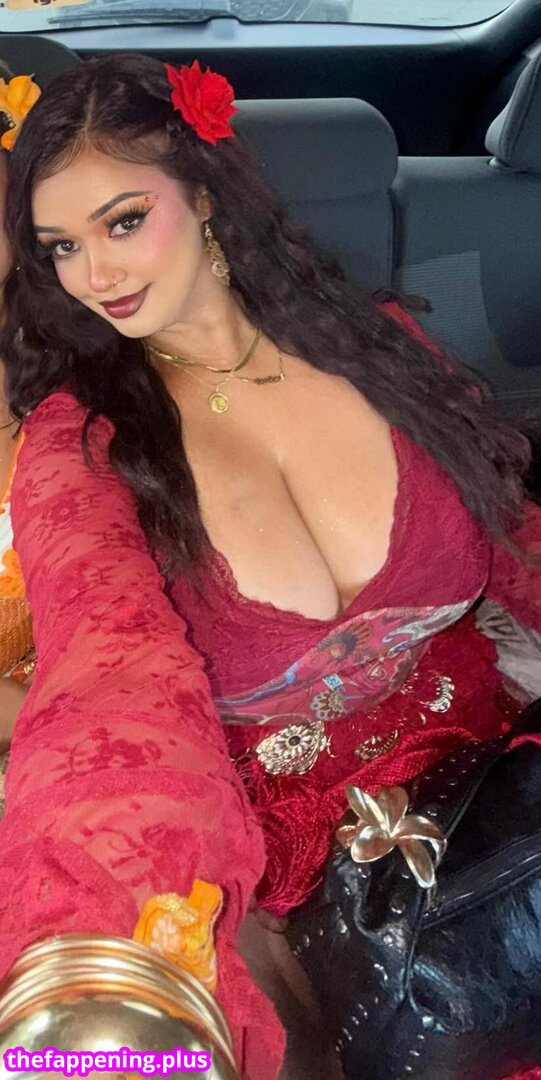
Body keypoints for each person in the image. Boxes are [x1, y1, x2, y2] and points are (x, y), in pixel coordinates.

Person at [1, 52, 540, 1079]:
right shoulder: (85, 445)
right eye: (61, 246)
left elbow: (513, 535)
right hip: (287, 893)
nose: (94, 275)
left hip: (497, 793)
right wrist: (95, 976)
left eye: (123, 221)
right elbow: (109, 684)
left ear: (203, 194)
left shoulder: (374, 344)